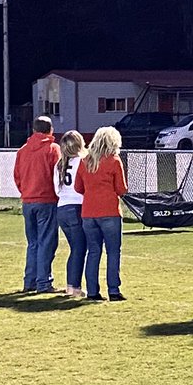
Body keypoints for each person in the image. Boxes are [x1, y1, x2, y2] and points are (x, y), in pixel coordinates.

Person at [73, 127, 128, 301]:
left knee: (93, 252)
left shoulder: (85, 161)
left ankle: (92, 291)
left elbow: (78, 187)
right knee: (113, 252)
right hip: (109, 211)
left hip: (89, 212)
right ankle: (113, 290)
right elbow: (121, 189)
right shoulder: (113, 161)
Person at [13, 116, 62, 293]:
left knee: (33, 243)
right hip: (47, 200)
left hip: (28, 201)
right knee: (46, 242)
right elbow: (58, 175)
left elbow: (17, 176)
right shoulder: (53, 149)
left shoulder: (23, 150)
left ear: (33, 130)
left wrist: (26, 191)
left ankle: (30, 281)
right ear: (51, 130)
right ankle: (43, 282)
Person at [54, 130, 88, 297]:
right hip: (76, 207)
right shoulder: (82, 161)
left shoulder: (59, 164)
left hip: (62, 208)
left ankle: (71, 285)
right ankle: (74, 287)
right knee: (79, 249)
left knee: (75, 248)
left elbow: (56, 190)